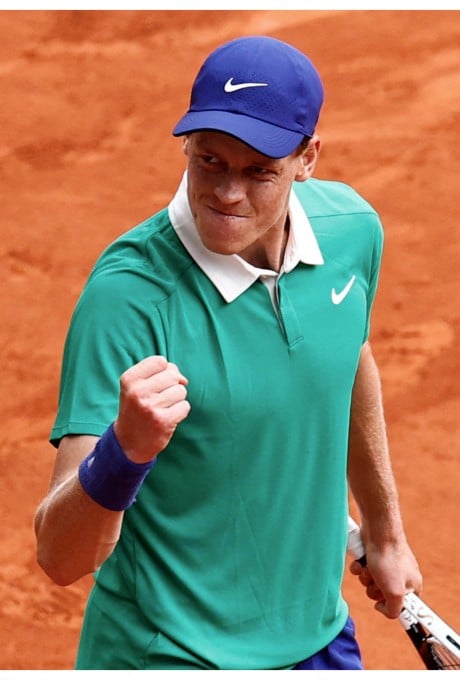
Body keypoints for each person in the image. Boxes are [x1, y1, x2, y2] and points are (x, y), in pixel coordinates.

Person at [33, 35, 421, 669]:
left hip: (317, 642)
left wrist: (385, 532)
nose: (227, 194)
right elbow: (58, 555)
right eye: (209, 161)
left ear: (307, 159)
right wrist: (123, 451)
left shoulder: (352, 233)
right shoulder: (128, 299)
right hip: (172, 653)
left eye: (258, 171)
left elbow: (347, 357)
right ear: (187, 146)